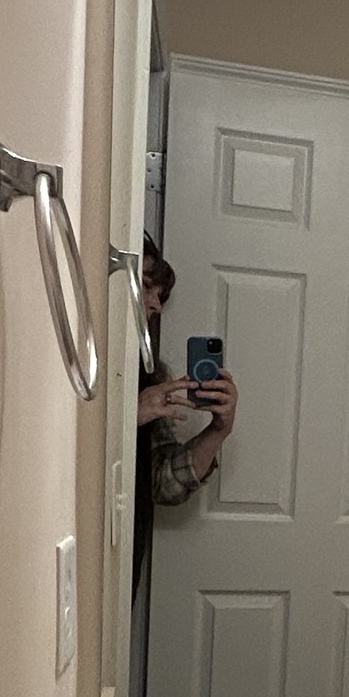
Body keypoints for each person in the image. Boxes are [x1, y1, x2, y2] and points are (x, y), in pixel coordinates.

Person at [132, 235, 239, 596]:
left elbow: (163, 484)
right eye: (146, 286)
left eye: (161, 296)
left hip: (123, 564)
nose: (156, 304)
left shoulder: (146, 375)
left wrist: (218, 431)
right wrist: (131, 416)